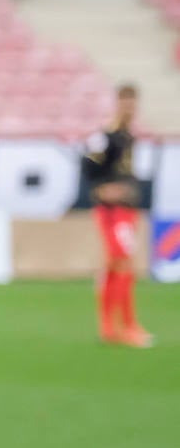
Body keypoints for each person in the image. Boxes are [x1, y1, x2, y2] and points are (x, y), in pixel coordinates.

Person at [83, 84, 151, 348]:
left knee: (115, 265)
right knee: (123, 264)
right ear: (118, 103)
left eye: (133, 103)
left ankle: (110, 328)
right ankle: (126, 326)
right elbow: (87, 164)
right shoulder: (107, 135)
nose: (130, 108)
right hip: (112, 211)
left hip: (127, 208)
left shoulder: (127, 136)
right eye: (125, 102)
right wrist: (101, 187)